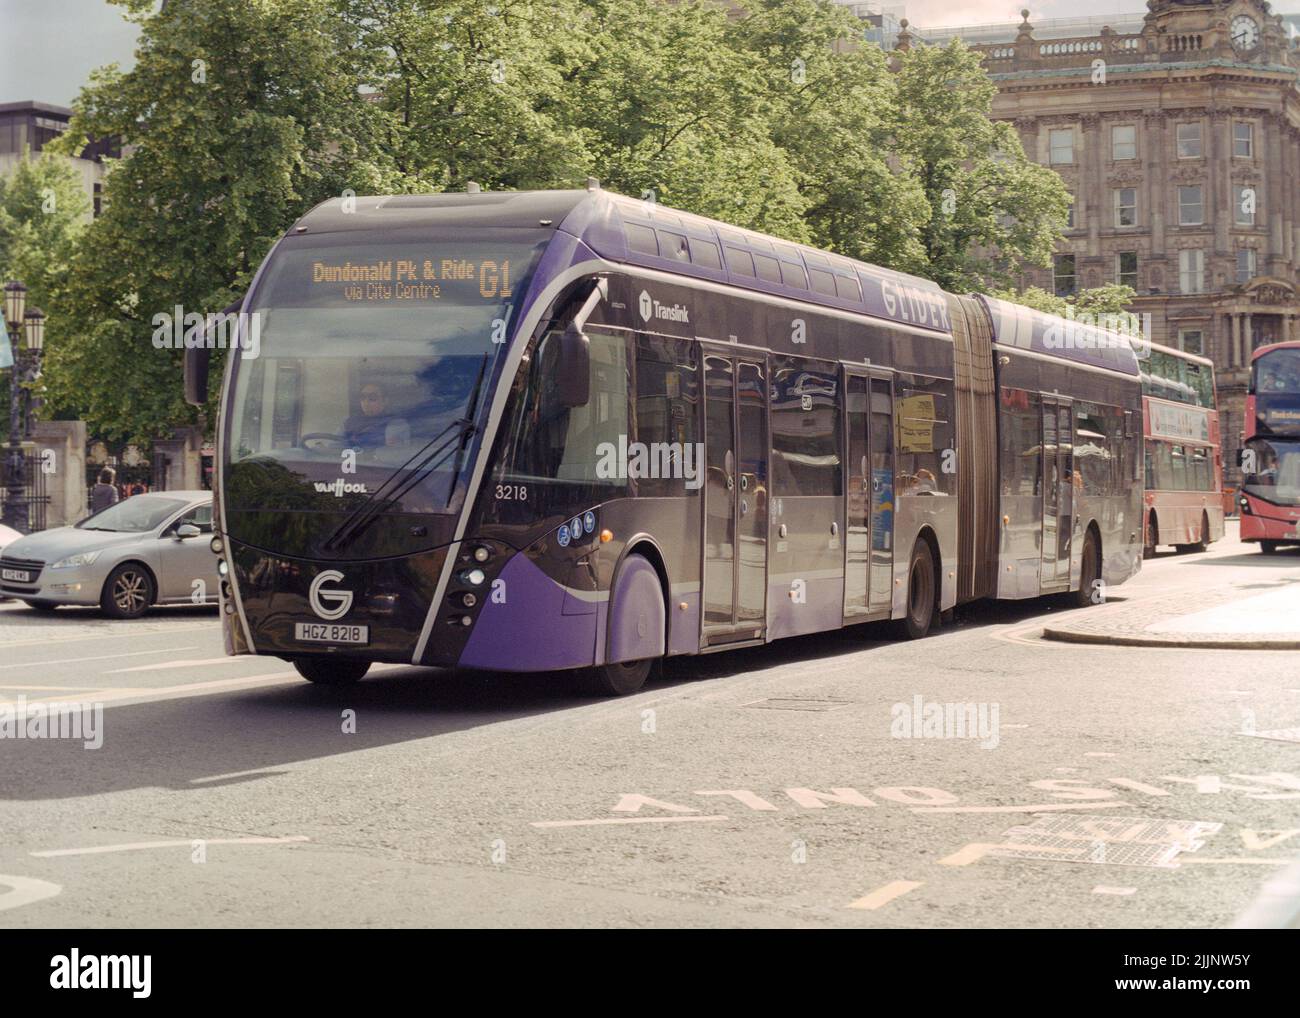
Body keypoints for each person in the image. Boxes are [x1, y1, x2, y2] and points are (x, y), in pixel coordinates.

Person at [343, 381, 408, 448]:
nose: (366, 403)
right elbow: (334, 446)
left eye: (372, 398)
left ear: (385, 401)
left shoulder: (396, 424)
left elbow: (392, 453)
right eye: (362, 398)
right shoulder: (349, 422)